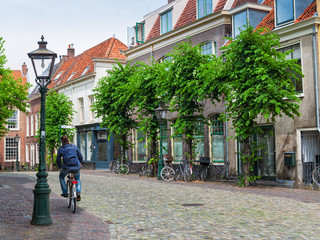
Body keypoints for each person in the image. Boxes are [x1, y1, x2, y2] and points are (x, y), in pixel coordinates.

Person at [56, 135, 83, 201]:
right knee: (77, 178)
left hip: (66, 167)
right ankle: (78, 191)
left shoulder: (61, 149)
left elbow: (58, 160)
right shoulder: (74, 147)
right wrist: (80, 163)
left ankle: (65, 192)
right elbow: (80, 156)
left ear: (62, 141)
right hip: (76, 166)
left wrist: (60, 166)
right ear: (68, 140)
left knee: (61, 177)